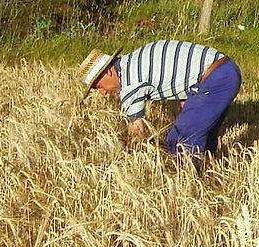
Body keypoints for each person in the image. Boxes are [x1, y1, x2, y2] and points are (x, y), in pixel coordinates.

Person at [79, 39, 241, 164]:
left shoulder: (129, 83)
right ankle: (208, 176)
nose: (102, 92)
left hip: (217, 78)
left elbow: (136, 134)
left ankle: (189, 190)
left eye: (98, 85)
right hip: (224, 68)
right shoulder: (134, 60)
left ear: (108, 71)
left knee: (179, 140)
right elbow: (180, 74)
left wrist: (127, 162)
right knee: (200, 133)